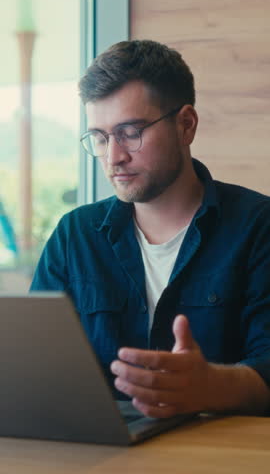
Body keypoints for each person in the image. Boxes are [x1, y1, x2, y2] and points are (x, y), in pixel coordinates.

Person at [31, 39, 270, 418]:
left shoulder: (259, 227)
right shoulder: (74, 235)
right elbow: (34, 366)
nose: (114, 157)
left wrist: (209, 386)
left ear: (186, 125)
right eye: (101, 137)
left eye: (130, 132)